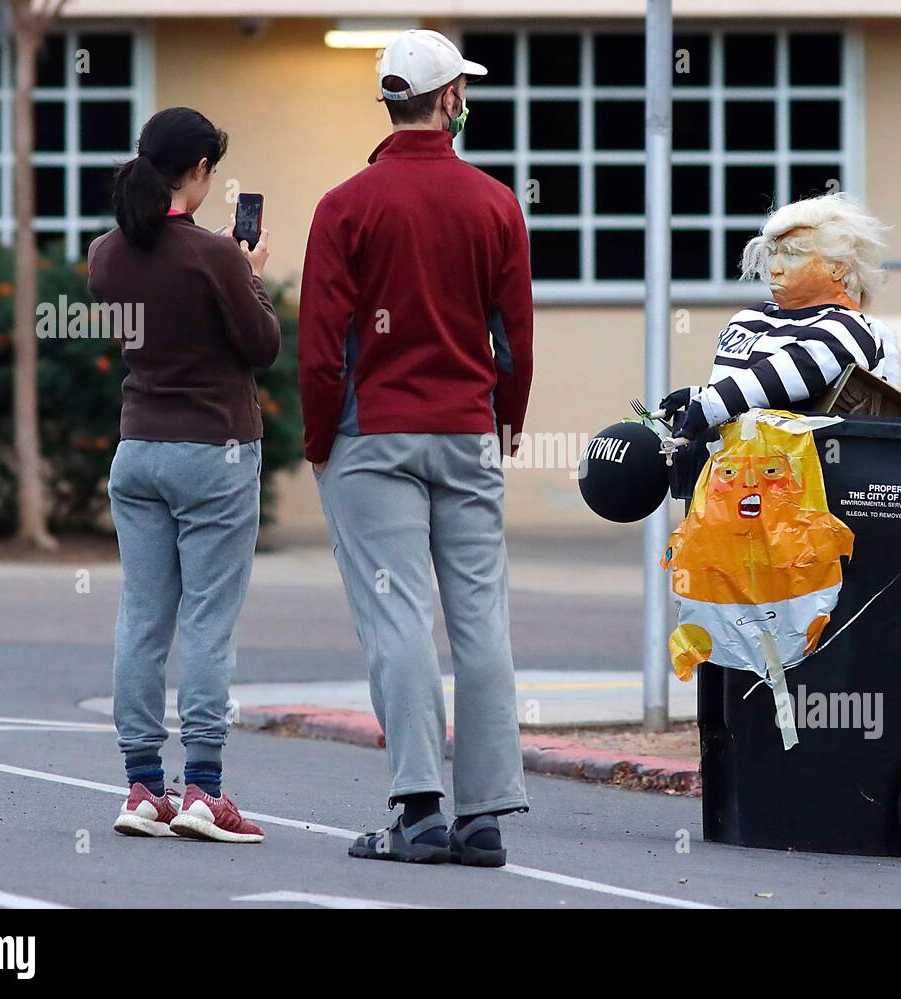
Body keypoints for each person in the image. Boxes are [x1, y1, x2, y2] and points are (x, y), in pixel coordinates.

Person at [298, 29, 534, 867]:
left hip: (373, 436)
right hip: (467, 428)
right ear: (448, 100)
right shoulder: (495, 203)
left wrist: (320, 436)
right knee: (481, 620)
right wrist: (504, 422)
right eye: (461, 89)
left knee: (396, 618)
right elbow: (514, 336)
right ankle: (485, 817)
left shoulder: (344, 205)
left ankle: (420, 810)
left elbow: (322, 341)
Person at [89, 107, 280, 843]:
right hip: (216, 451)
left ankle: (142, 785)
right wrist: (250, 273)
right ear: (199, 172)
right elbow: (259, 345)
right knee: (206, 620)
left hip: (138, 451)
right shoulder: (215, 256)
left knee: (142, 616)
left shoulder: (107, 254)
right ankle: (203, 791)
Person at [658, 192, 901, 439]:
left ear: (838, 267)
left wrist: (712, 403)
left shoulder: (850, 328)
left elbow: (803, 365)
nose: (774, 268)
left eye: (792, 254)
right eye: (772, 253)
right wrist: (699, 397)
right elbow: (746, 396)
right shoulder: (748, 318)